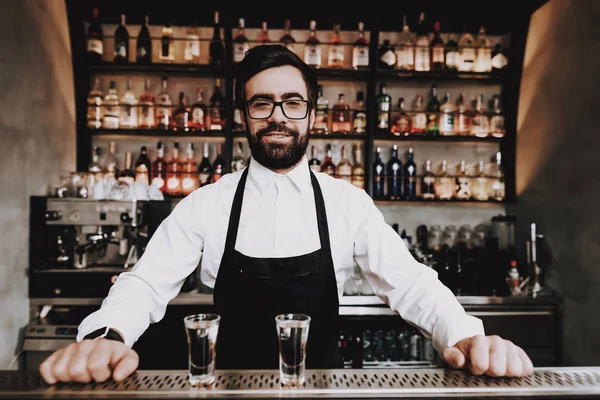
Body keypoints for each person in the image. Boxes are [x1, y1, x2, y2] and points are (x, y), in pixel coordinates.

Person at [39, 45, 534, 384]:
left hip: (323, 389)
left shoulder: (346, 203)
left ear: (313, 115)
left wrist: (466, 335)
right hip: (228, 389)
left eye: (292, 103)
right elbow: (145, 283)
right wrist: (105, 337)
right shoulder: (207, 203)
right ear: (244, 117)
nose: (277, 115)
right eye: (262, 104)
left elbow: (412, 284)